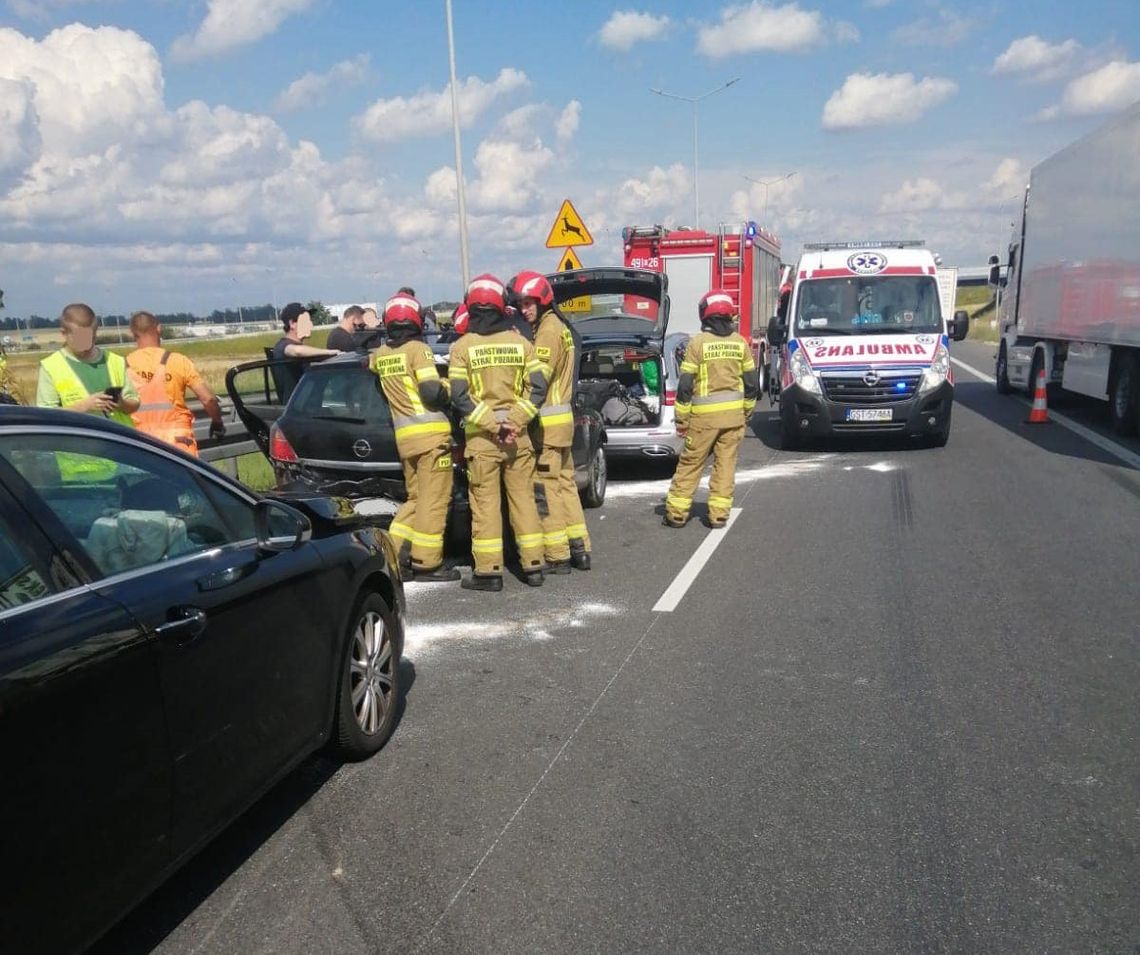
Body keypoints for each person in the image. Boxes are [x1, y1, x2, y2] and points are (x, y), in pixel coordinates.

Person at [448, 274, 548, 591]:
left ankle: (489, 572)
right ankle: (534, 566)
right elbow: (539, 388)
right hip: (517, 439)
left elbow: (459, 397)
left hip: (482, 439)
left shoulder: (462, 347)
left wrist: (492, 424)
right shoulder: (521, 343)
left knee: (485, 505)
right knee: (523, 501)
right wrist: (514, 421)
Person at [372, 292, 458, 583]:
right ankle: (427, 563)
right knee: (435, 501)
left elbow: (368, 364)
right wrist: (451, 386)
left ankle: (391, 555)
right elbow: (431, 392)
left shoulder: (381, 355)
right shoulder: (418, 350)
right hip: (432, 439)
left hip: (405, 441)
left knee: (415, 500)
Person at [664, 289, 760, 529]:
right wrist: (747, 412)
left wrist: (681, 419)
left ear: (705, 315)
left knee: (690, 464)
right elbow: (751, 384)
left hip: (703, 420)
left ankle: (677, 513)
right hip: (733, 419)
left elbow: (685, 385)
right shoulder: (740, 343)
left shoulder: (698, 343)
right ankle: (718, 514)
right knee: (725, 465)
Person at [516, 270, 591, 572]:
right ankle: (580, 548)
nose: (524, 310)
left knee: (544, 490)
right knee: (565, 486)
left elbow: (539, 382)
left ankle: (558, 554)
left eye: (529, 303)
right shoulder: (560, 326)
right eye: (521, 304)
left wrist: (519, 417)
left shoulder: (547, 331)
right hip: (562, 424)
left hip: (547, 426)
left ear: (544, 300)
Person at [126, 310, 225, 457]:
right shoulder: (178, 361)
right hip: (179, 443)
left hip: (140, 444)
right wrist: (217, 422)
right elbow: (208, 399)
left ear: (133, 333)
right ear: (159, 329)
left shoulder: (123, 365)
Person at [36, 303, 139, 426]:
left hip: (117, 442)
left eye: (90, 338)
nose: (86, 345)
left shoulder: (115, 361)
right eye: (80, 339)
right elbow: (46, 416)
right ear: (64, 333)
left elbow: (134, 403)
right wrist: (85, 406)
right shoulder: (51, 367)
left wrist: (121, 404)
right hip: (76, 444)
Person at [272, 302, 341, 360]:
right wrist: (330, 352)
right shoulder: (283, 346)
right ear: (292, 324)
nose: (311, 326)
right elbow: (297, 351)